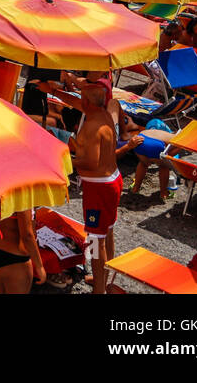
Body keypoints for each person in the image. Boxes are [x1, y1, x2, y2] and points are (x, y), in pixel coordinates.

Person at [71, 76, 120, 293]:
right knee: (107, 232)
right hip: (112, 180)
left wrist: (63, 157)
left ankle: (99, 289)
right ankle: (103, 279)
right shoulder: (106, 115)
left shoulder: (91, 127)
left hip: (97, 188)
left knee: (95, 241)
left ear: (87, 103)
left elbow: (90, 162)